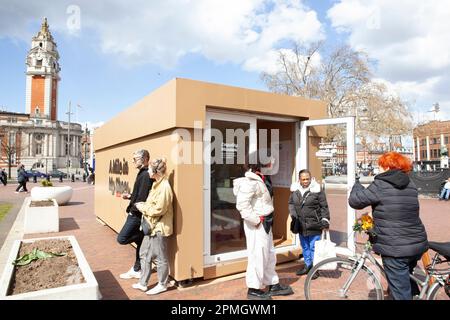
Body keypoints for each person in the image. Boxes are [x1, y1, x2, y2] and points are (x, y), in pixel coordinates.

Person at [348, 152, 428, 300]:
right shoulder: (410, 183)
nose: (378, 168)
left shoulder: (381, 184)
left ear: (386, 166)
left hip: (395, 247)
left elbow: (355, 201)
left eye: (380, 165)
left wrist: (357, 185)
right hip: (416, 243)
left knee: (400, 293)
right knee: (406, 279)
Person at [233, 157, 294, 300]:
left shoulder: (262, 178)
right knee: (257, 255)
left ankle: (272, 283)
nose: (272, 165)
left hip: (265, 222)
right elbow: (242, 205)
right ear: (259, 165)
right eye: (268, 163)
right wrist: (256, 221)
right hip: (258, 224)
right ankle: (253, 289)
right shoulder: (251, 182)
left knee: (269, 254)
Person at [132, 158, 173, 295]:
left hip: (159, 228)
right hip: (151, 227)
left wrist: (141, 207)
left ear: (155, 171)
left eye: (150, 169)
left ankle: (162, 284)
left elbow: (158, 210)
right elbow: (152, 205)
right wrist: (144, 206)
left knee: (160, 258)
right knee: (144, 254)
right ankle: (143, 283)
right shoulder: (156, 184)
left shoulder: (164, 187)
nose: (148, 171)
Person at [117, 149, 153, 279]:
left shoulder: (145, 175)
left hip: (136, 215)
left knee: (122, 238)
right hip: (136, 213)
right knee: (139, 243)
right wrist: (130, 196)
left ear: (144, 159)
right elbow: (139, 195)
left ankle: (143, 237)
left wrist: (133, 210)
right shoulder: (142, 173)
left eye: (135, 159)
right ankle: (137, 269)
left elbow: (142, 198)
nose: (133, 161)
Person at [288, 169, 330, 277]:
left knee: (313, 247)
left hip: (314, 223)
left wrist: (325, 220)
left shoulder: (317, 190)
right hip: (301, 224)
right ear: (299, 180)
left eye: (307, 179)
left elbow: (324, 206)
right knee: (305, 246)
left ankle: (314, 268)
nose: (306, 181)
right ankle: (307, 265)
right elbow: (291, 203)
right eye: (303, 179)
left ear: (310, 179)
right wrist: (293, 215)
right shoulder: (295, 190)